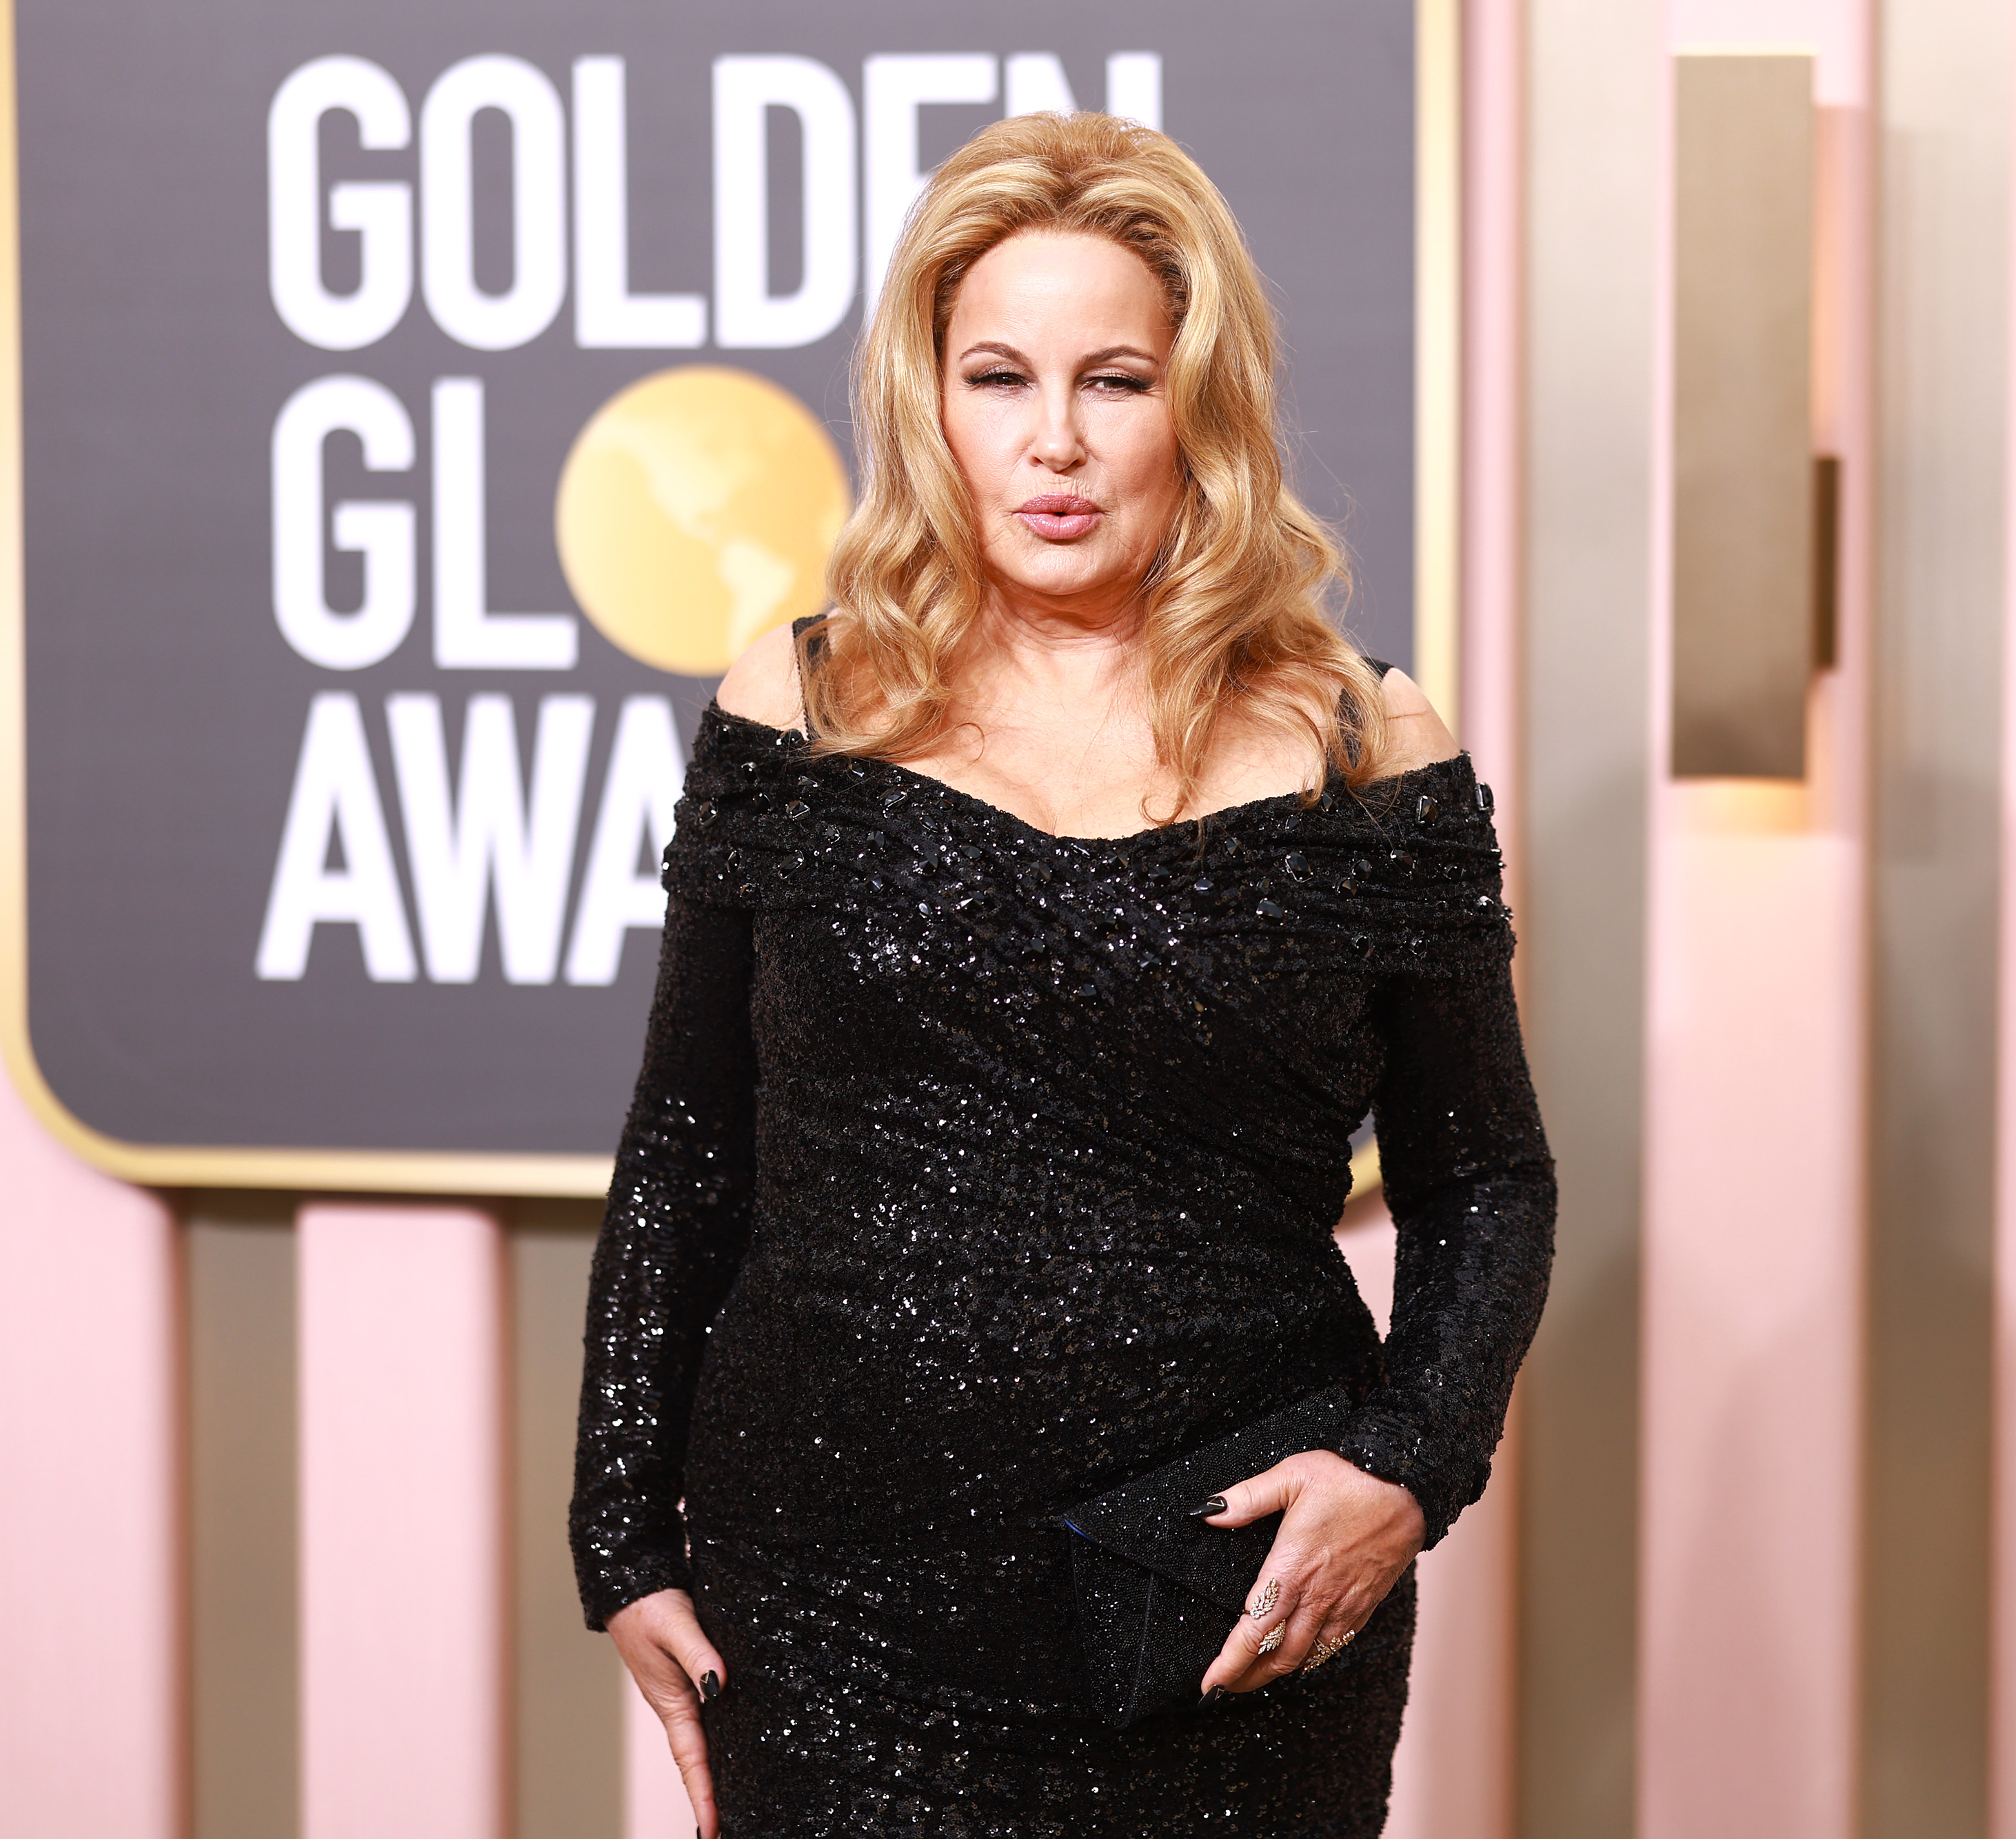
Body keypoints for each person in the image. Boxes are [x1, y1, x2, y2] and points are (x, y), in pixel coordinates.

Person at [569, 111, 1554, 1838]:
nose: (1053, 445)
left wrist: (1412, 1461)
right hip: (825, 1596)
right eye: (997, 377)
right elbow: (686, 1148)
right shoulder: (793, 708)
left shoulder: (1361, 744)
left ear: (1202, 403)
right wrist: (621, 1530)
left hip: (1217, 1596)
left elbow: (1483, 1178)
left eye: (1114, 381)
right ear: (927, 399)